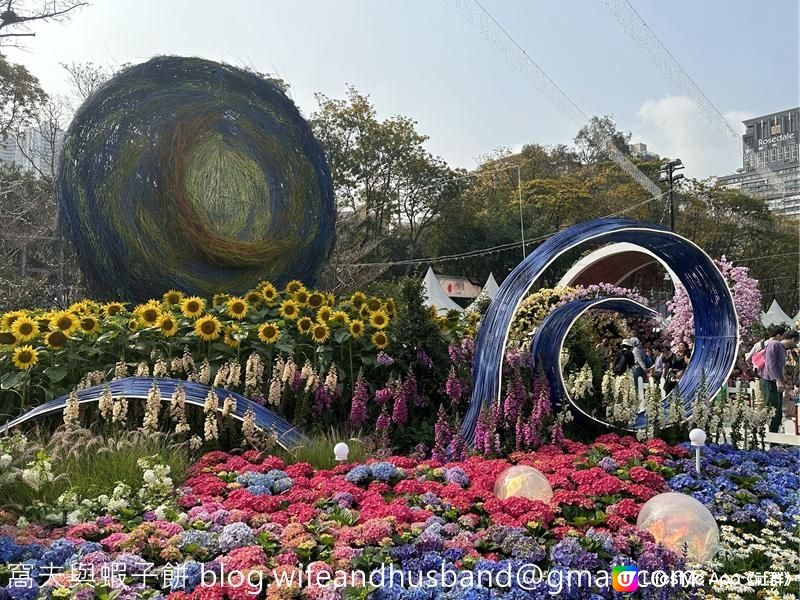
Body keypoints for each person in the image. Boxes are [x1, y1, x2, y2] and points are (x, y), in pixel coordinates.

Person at [760, 329, 799, 433]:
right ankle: (768, 437)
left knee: (777, 414)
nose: (795, 345)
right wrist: (777, 380)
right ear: (793, 339)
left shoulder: (782, 349)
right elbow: (770, 364)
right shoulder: (774, 344)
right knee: (772, 411)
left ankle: (774, 439)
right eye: (796, 343)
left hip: (777, 384)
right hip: (769, 382)